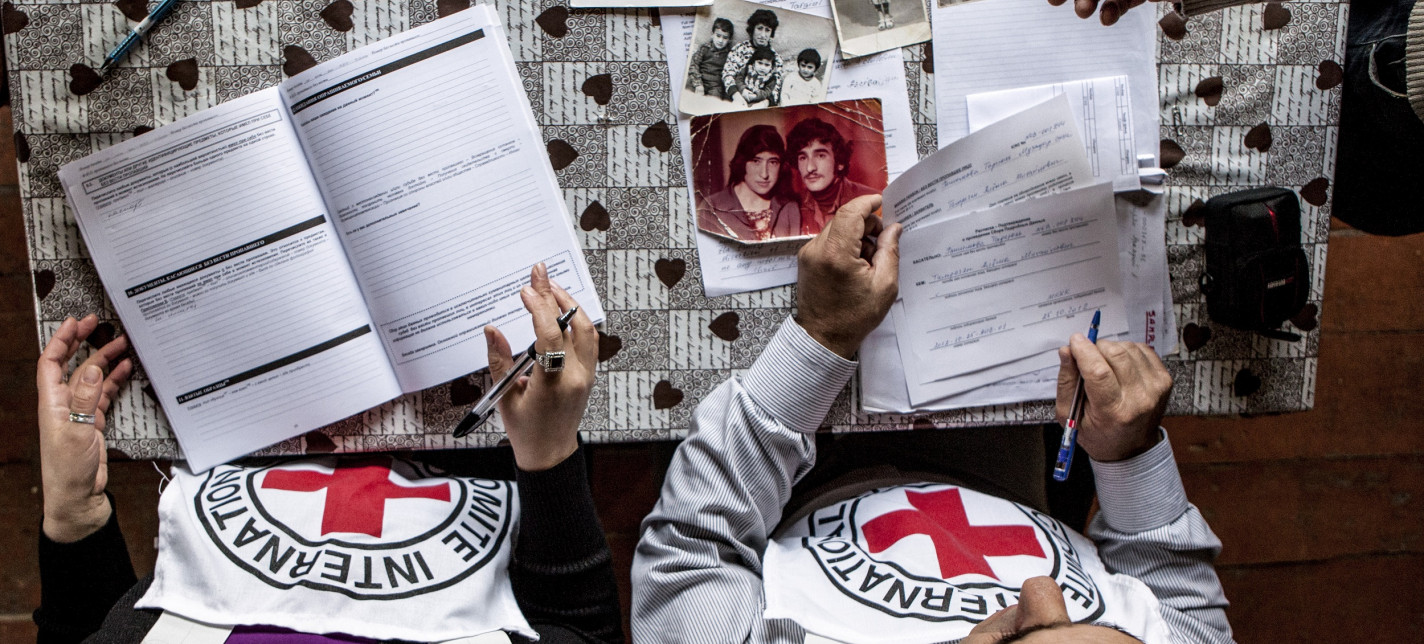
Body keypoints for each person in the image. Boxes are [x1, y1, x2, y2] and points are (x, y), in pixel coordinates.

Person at [632, 195, 1234, 642]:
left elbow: (692, 551)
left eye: (1017, 636)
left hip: (781, 491)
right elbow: (1175, 595)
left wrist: (819, 338)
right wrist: (1129, 456)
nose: (1042, 591)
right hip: (1007, 475)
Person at [33, 265, 623, 643]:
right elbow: (579, 630)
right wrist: (549, 454)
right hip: (486, 422)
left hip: (241, 409)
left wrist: (73, 509)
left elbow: (88, 630)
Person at [697, 124, 801, 241]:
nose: (764, 174)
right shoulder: (711, 208)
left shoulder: (790, 207)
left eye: (773, 162)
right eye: (756, 161)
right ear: (742, 162)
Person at [786, 117, 877, 235]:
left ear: (840, 163)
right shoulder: (791, 207)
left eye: (820, 156)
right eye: (803, 158)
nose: (810, 168)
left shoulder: (873, 201)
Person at [722, 9, 785, 106]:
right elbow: (728, 74)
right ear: (752, 29)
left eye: (767, 30)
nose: (763, 35)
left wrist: (763, 104)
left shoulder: (776, 59)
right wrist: (736, 95)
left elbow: (776, 89)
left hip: (760, 105)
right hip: (737, 99)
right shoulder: (740, 49)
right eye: (759, 28)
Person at [689, 17, 735, 99]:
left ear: (729, 40)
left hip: (715, 86)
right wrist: (698, 84)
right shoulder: (705, 48)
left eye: (725, 38)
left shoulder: (730, 54)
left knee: (714, 101)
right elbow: (693, 64)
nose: (720, 41)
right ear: (712, 34)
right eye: (718, 36)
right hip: (700, 80)